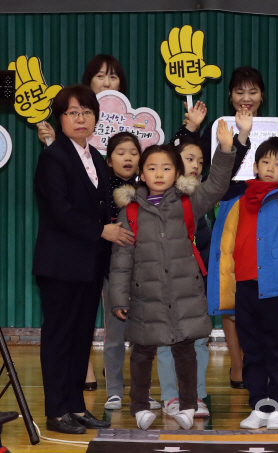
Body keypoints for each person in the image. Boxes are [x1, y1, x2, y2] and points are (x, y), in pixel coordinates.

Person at [109, 122, 237, 431]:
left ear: (177, 173)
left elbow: (218, 183)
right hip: (146, 296)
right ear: (142, 174)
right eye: (152, 168)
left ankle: (189, 406)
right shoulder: (132, 211)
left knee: (185, 350)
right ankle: (139, 406)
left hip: (184, 293)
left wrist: (226, 149)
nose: (159, 173)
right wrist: (118, 297)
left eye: (166, 168)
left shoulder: (188, 202)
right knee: (141, 351)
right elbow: (121, 258)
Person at [207, 118, 278, 430]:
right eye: (265, 161)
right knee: (252, 348)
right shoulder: (240, 199)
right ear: (255, 166)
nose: (270, 167)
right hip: (244, 285)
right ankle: (259, 406)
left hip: (276, 286)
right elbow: (219, 178)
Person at [33, 85, 130, 434]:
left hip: (90, 266)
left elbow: (105, 203)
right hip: (60, 265)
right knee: (59, 338)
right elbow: (60, 210)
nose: (80, 118)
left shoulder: (95, 157)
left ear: (95, 118)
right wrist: (101, 231)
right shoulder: (54, 157)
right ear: (60, 119)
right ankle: (56, 411)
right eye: (72, 112)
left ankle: (75, 406)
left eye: (86, 112)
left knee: (80, 339)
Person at [176, 67, 265, 387]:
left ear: (262, 97)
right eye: (239, 92)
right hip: (229, 212)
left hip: (267, 214)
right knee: (230, 291)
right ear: (230, 96)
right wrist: (191, 128)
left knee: (263, 292)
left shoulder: (273, 129)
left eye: (252, 92)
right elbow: (188, 160)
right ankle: (238, 364)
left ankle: (260, 362)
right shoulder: (220, 129)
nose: (246, 98)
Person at [157, 136, 213, 419]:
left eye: (201, 161)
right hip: (165, 281)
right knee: (167, 340)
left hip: (195, 281)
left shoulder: (201, 199)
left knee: (198, 339)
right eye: (189, 159)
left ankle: (197, 396)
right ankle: (170, 397)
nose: (196, 165)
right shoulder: (157, 197)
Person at [101, 132, 154, 410]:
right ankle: (114, 390)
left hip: (146, 273)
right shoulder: (100, 188)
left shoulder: (148, 188)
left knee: (144, 338)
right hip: (115, 273)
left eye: (133, 152)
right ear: (109, 160)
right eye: (121, 152)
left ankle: (141, 392)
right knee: (115, 336)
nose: (128, 157)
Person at [38, 54, 127, 146]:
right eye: (100, 76)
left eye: (113, 77)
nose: (107, 83)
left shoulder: (130, 118)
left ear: (120, 84)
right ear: (89, 81)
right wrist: (52, 142)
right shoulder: (71, 115)